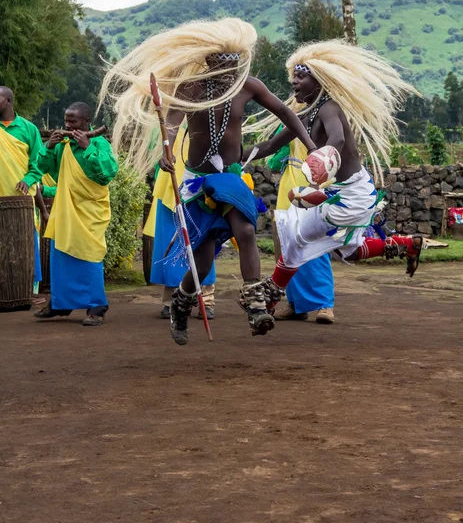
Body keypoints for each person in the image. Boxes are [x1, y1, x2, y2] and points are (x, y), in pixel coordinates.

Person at [100, 18, 317, 345]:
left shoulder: (249, 86)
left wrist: (313, 147)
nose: (230, 76)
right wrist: (167, 148)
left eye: (234, 69)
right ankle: (181, 304)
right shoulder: (190, 87)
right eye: (223, 68)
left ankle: (256, 305)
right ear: (210, 62)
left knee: (244, 230)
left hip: (230, 177)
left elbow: (287, 114)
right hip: (198, 180)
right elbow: (170, 122)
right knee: (201, 260)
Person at [244, 40, 424, 307]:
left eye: (301, 76)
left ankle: (270, 294)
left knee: (298, 232)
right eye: (293, 75)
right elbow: (270, 145)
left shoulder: (330, 108)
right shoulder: (305, 115)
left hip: (354, 194)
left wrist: (323, 157)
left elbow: (337, 138)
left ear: (318, 81)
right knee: (349, 252)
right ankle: (408, 244)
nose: (294, 81)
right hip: (339, 193)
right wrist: (236, 155)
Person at [34, 102, 118, 325]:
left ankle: (96, 307)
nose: (68, 125)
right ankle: (61, 303)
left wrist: (88, 147)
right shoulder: (62, 145)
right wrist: (49, 147)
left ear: (86, 122)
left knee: (88, 254)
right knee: (62, 255)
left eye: (73, 121)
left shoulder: (99, 143)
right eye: (66, 120)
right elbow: (43, 168)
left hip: (90, 210)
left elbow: (107, 174)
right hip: (65, 209)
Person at [144, 125, 216, 319]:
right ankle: (170, 300)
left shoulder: (212, 114)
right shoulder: (168, 121)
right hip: (170, 186)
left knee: (203, 242)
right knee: (171, 244)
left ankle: (206, 300)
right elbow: (155, 147)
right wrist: (163, 155)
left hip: (200, 186)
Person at [265, 128, 335, 324]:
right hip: (289, 195)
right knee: (289, 252)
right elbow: (273, 163)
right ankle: (295, 305)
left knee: (318, 251)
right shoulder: (289, 129)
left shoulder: (324, 128)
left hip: (315, 194)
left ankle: (325, 305)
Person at [0, 86, 45, 294]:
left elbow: (38, 164)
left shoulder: (28, 129)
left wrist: (28, 180)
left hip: (21, 198)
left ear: (8, 101)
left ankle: (28, 289)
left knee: (24, 242)